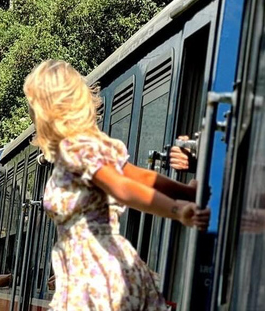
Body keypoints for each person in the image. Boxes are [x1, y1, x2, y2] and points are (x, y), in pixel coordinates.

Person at [23, 60, 210, 310]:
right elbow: (141, 178)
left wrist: (178, 210)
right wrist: (187, 193)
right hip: (103, 270)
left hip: (93, 278)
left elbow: (122, 188)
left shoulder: (75, 150)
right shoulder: (87, 147)